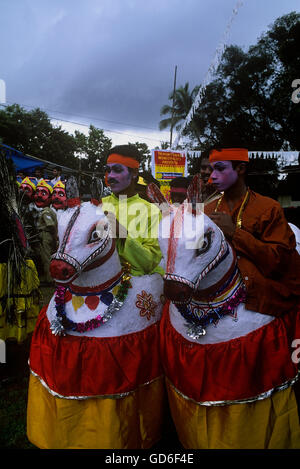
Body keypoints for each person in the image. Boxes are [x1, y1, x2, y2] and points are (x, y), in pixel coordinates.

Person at [205, 147, 300, 317]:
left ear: (240, 169)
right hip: (213, 298)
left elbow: (280, 263)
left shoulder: (268, 208)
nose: (212, 176)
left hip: (260, 300)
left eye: (220, 169)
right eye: (211, 170)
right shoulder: (207, 210)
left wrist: (235, 233)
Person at [102, 145, 163, 277]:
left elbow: (150, 261)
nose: (110, 176)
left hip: (134, 286)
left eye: (117, 170)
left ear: (134, 173)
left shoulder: (151, 211)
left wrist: (122, 234)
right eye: (108, 170)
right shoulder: (98, 206)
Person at [33, 179, 58, 284]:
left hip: (45, 236)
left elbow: (51, 225)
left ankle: (50, 279)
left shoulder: (46, 212)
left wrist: (52, 236)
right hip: (47, 235)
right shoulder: (48, 210)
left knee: (46, 259)